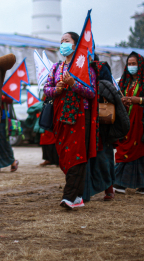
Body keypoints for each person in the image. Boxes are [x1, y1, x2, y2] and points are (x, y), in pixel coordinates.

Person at [44, 31, 98, 209]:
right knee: (65, 154)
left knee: (77, 154)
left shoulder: (84, 67)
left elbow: (91, 92)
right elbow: (46, 89)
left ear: (75, 45)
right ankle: (78, 197)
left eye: (66, 41)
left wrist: (73, 84)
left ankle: (69, 196)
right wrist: (57, 89)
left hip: (79, 116)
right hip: (60, 116)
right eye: (61, 41)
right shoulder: (56, 67)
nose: (63, 44)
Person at [83, 60, 128, 202]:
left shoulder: (106, 86)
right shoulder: (84, 85)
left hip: (103, 132)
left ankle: (109, 189)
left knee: (104, 160)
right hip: (90, 129)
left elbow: (118, 109)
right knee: (93, 161)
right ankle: (91, 189)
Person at [114, 52, 144, 195]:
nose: (131, 67)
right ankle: (120, 184)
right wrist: (123, 101)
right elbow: (117, 97)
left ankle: (143, 185)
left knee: (142, 154)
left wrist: (137, 100)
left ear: (141, 65)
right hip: (126, 123)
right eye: (129, 64)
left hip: (142, 123)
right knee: (124, 151)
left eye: (134, 64)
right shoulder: (124, 81)